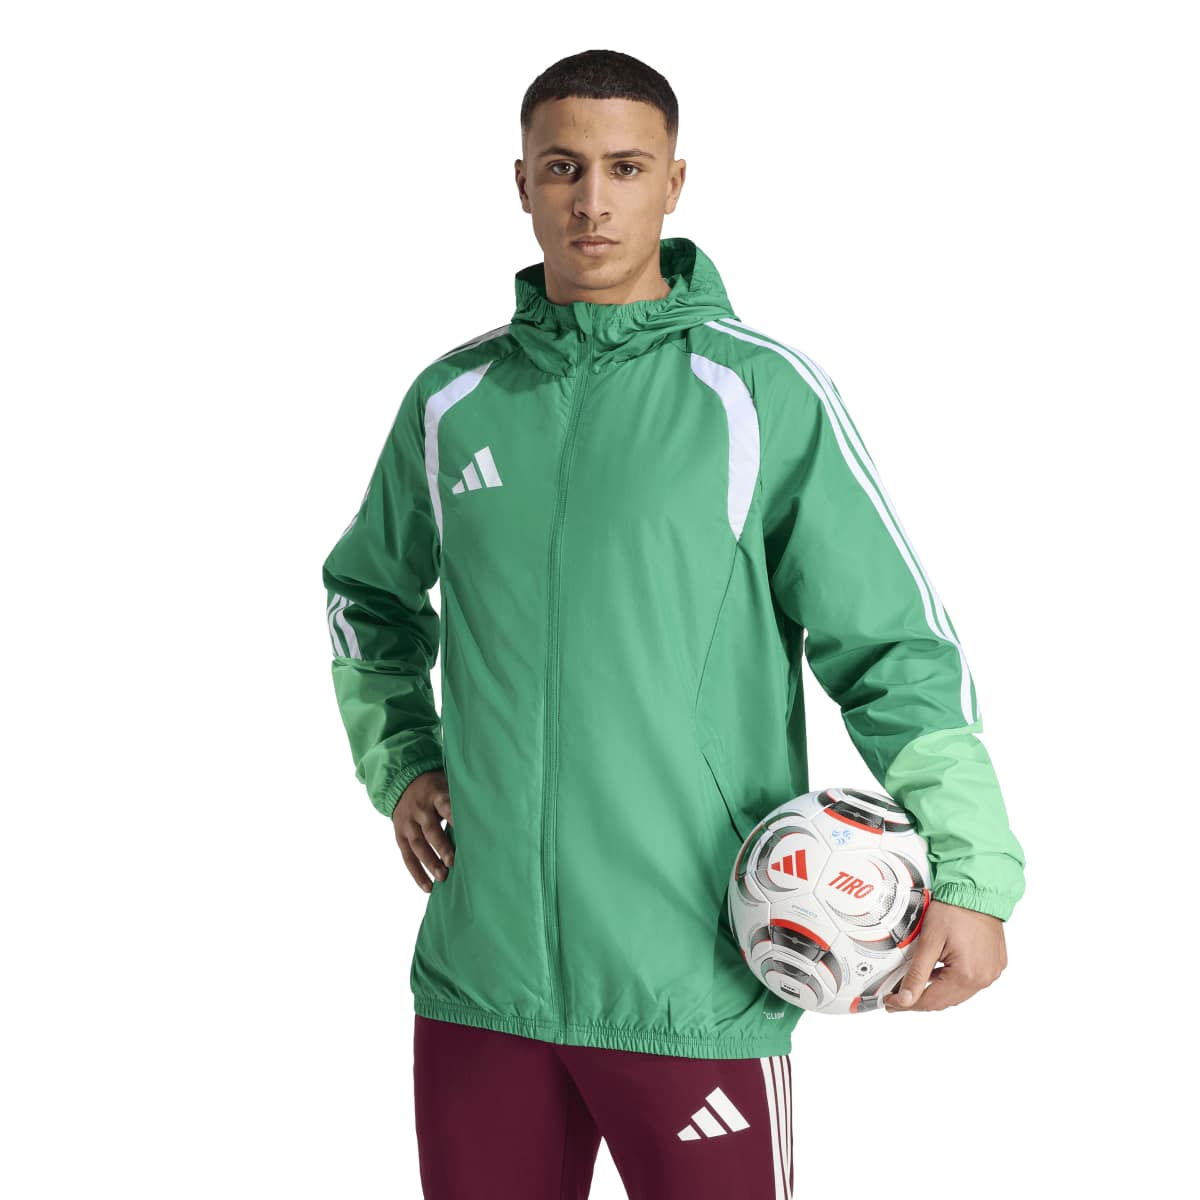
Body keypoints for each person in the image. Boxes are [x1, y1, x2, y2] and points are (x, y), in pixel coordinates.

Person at [321, 48, 1026, 1200]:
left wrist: (974, 873)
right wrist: (403, 760)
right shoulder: (451, 401)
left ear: (674, 182)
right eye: (563, 168)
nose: (592, 201)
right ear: (521, 183)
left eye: (625, 167)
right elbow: (368, 596)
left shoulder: (759, 393)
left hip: (693, 977)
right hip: (480, 983)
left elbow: (892, 646)